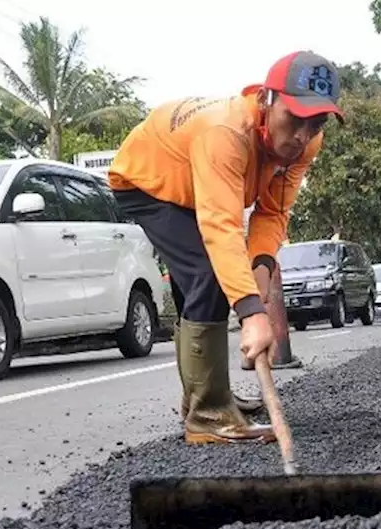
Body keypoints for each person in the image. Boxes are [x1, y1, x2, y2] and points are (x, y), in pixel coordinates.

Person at [107, 52, 343, 444]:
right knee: (207, 274)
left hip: (196, 188)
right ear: (267, 98)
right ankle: (208, 415)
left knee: (198, 284)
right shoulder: (228, 132)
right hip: (147, 182)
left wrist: (262, 272)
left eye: (315, 122)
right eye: (295, 117)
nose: (303, 134)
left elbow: (273, 212)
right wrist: (252, 314)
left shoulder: (305, 145)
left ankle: (205, 395)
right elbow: (222, 226)